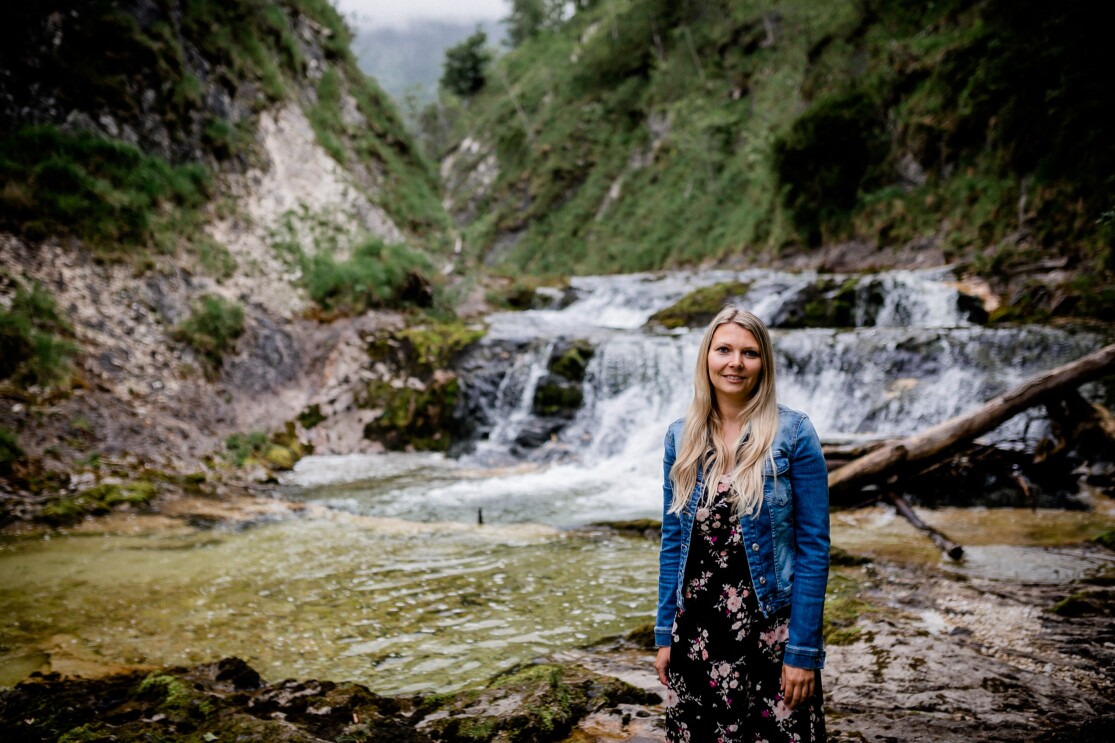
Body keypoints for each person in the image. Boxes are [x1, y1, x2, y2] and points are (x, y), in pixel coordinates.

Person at [654, 306, 830, 742]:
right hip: (695, 635)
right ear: (706, 357)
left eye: (749, 353)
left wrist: (803, 651)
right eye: (724, 350)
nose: (735, 363)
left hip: (770, 634)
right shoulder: (681, 437)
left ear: (763, 363)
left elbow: (814, 548)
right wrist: (664, 634)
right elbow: (673, 542)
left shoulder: (794, 434)